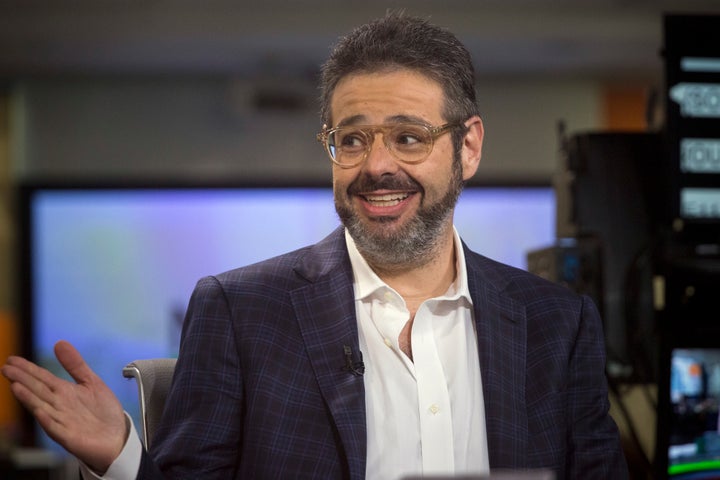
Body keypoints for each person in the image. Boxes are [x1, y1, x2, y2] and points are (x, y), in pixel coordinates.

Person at [2, 11, 628, 480]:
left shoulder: (558, 324)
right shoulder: (238, 311)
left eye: (408, 137)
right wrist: (123, 459)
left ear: (467, 146)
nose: (377, 166)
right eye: (352, 140)